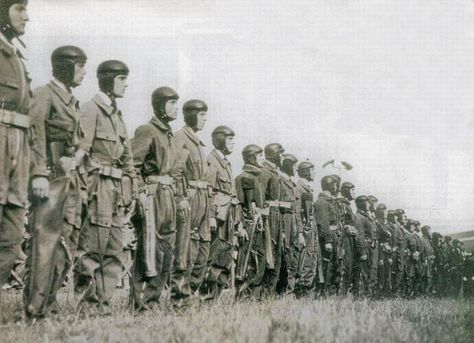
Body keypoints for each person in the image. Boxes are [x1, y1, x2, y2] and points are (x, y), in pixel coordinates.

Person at [24, 46, 87, 318]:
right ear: (65, 66)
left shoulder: (71, 100)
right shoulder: (44, 95)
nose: (84, 72)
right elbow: (33, 134)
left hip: (69, 181)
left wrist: (78, 156)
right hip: (50, 180)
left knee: (64, 245)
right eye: (80, 65)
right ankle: (36, 308)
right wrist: (39, 171)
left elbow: (77, 141)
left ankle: (49, 303)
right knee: (45, 245)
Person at [75, 60, 135, 315]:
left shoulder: (118, 116)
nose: (126, 83)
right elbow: (79, 154)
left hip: (116, 191)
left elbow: (128, 158)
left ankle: (104, 303)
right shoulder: (90, 110)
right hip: (96, 188)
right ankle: (88, 307)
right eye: (122, 78)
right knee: (91, 249)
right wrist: (82, 191)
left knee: (113, 249)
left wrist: (131, 188)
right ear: (109, 80)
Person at [129, 86, 180, 309]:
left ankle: (153, 300)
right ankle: (140, 304)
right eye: (171, 103)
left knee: (166, 250)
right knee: (148, 250)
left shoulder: (167, 134)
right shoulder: (146, 131)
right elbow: (132, 165)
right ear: (160, 106)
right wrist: (140, 193)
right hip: (152, 197)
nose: (176, 108)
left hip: (168, 195)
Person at [0, 0, 32, 289]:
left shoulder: (17, 56)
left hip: (19, 144)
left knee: (12, 229)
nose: (26, 16)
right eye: (18, 8)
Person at [171, 99, 210, 305]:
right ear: (192, 115)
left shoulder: (196, 142)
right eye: (202, 115)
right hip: (190, 199)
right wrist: (179, 198)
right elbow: (176, 173)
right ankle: (180, 299)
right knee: (186, 250)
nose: (205, 119)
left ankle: (191, 294)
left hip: (203, 200)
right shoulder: (180, 138)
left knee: (203, 249)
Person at [204, 125, 245, 299]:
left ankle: (214, 298)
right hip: (218, 220)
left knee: (226, 258)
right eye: (229, 139)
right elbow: (208, 191)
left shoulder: (226, 164)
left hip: (229, 219)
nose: (233, 143)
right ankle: (205, 297)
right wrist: (212, 216)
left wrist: (239, 222)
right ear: (220, 139)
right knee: (213, 257)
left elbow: (233, 196)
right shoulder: (212, 161)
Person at [234, 144, 266, 298]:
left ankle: (251, 297)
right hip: (247, 225)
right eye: (260, 156)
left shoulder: (256, 177)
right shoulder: (243, 178)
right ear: (251, 158)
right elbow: (238, 204)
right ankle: (240, 297)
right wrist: (240, 226)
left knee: (257, 260)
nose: (263, 159)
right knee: (244, 261)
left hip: (258, 225)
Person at [258, 143, 285, 296]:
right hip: (268, 216)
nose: (282, 157)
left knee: (276, 253)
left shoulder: (274, 172)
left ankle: (269, 293)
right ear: (274, 155)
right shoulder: (265, 172)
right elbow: (260, 196)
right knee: (268, 252)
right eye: (280, 154)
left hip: (276, 214)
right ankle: (262, 293)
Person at [277, 153, 304, 295]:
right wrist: (281, 230)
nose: (296, 168)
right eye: (294, 165)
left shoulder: (294, 186)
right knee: (284, 255)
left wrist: (300, 232)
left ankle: (289, 291)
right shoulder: (279, 181)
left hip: (293, 224)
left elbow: (297, 210)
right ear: (287, 165)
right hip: (284, 223)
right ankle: (281, 291)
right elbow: (278, 209)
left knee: (294, 255)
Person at [294, 161, 319, 297]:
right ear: (305, 172)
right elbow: (297, 211)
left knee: (312, 258)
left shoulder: (307, 188)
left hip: (311, 229)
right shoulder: (299, 188)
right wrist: (300, 232)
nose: (314, 173)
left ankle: (308, 291)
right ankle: (301, 292)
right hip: (305, 229)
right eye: (312, 170)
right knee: (305, 260)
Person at [314, 175, 341, 294]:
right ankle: (323, 292)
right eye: (334, 185)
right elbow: (323, 223)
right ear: (329, 185)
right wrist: (328, 241)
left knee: (334, 264)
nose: (336, 187)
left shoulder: (330, 201)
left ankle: (330, 291)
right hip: (328, 237)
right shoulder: (322, 202)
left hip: (334, 236)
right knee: (327, 265)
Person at [337, 181, 361, 295]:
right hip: (345, 239)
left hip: (350, 239)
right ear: (346, 191)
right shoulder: (342, 204)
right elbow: (340, 222)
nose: (354, 192)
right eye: (352, 190)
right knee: (345, 267)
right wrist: (348, 228)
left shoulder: (347, 205)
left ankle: (344, 293)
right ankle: (341, 294)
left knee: (349, 266)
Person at [354, 195, 376, 296]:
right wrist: (362, 251)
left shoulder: (365, 216)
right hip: (364, 247)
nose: (369, 204)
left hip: (369, 246)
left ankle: (366, 293)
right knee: (363, 272)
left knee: (368, 271)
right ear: (361, 204)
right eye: (366, 202)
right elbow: (360, 235)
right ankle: (362, 294)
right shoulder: (359, 217)